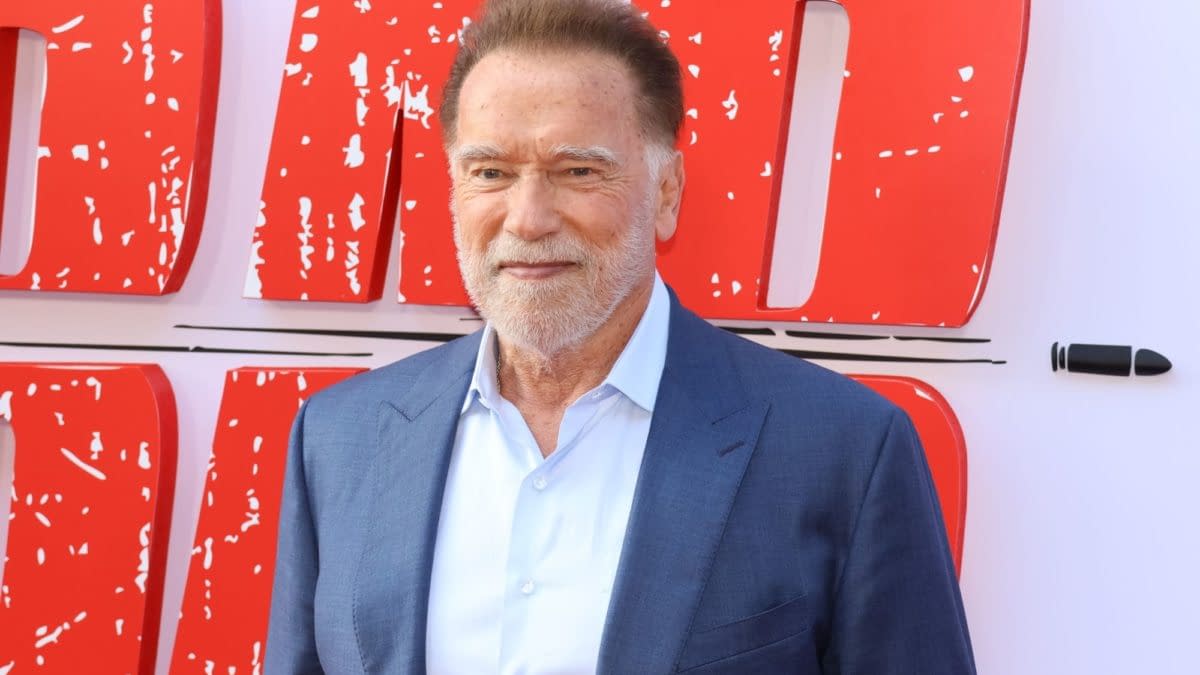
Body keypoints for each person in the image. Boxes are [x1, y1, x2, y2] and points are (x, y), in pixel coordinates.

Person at [265, 0, 975, 672]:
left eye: (577, 170)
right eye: (491, 172)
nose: (528, 217)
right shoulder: (338, 439)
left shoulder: (843, 451)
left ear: (667, 192)